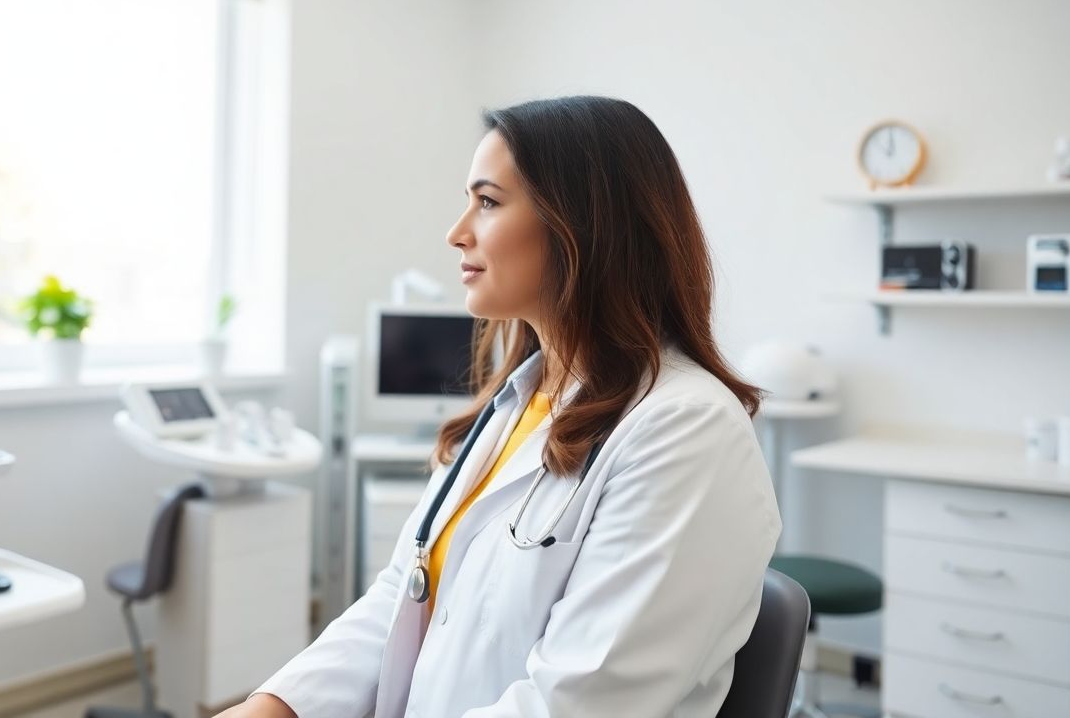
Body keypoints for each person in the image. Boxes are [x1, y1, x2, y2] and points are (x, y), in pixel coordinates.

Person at [219, 96, 781, 717]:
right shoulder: (513, 405)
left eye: (487, 202)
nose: (457, 232)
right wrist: (273, 706)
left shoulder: (686, 430)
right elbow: (404, 599)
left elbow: (578, 704)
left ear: (583, 225)